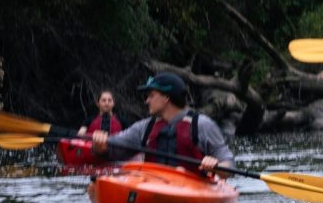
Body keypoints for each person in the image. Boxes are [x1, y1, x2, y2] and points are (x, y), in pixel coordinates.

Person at [89, 72, 234, 173]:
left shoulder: (202, 125)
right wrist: (100, 146)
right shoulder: (145, 127)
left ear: (166, 98)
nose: (147, 101)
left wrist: (216, 166)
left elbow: (228, 162)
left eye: (151, 95)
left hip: (193, 185)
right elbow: (113, 150)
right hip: (153, 182)